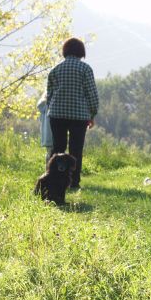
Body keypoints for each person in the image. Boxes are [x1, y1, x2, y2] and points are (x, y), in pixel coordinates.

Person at [46, 37, 99, 189]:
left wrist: (52, 110)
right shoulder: (85, 69)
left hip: (56, 115)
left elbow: (49, 95)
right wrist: (92, 115)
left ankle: (53, 180)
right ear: (81, 52)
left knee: (57, 149)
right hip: (79, 116)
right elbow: (92, 95)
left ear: (65, 51)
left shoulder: (55, 69)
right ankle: (74, 183)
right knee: (76, 150)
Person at [37, 91, 53, 166]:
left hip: (46, 135)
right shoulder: (51, 105)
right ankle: (51, 172)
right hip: (52, 134)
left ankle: (48, 171)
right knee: (54, 155)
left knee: (49, 154)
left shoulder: (42, 106)